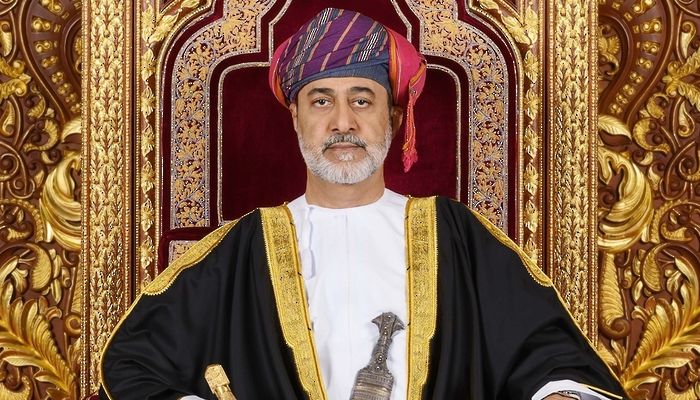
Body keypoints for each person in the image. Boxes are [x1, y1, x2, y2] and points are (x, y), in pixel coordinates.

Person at [99, 8, 627, 400]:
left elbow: (550, 356)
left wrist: (559, 395)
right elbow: (132, 365)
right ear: (296, 118)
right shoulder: (240, 250)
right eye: (321, 101)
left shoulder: (456, 236)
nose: (343, 122)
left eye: (361, 99)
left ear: (392, 118)